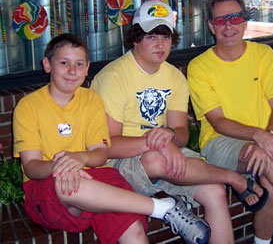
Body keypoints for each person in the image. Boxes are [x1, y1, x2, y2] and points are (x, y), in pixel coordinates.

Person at [91, 0, 269, 244]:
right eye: (151, 37)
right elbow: (108, 145)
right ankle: (233, 178)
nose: (160, 44)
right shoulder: (113, 77)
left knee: (214, 192)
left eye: (165, 37)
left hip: (166, 158)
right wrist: (159, 144)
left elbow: (182, 133)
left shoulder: (174, 76)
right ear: (135, 39)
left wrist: (169, 137)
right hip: (122, 165)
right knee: (156, 158)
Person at [13, 33, 212, 244]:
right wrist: (62, 166)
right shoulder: (28, 107)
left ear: (87, 67)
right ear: (47, 65)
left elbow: (100, 154)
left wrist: (80, 158)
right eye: (64, 63)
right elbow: (32, 167)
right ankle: (162, 208)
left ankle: (162, 208)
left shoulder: (91, 100)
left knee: (134, 230)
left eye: (79, 64)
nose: (72, 71)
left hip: (98, 181)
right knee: (72, 183)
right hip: (48, 187)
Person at [187, 0, 273, 244]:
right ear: (210, 26)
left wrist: (269, 136)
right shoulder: (199, 66)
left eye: (235, 18)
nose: (228, 26)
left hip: (265, 141)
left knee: (272, 192)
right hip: (219, 142)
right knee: (264, 158)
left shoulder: (263, 55)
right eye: (220, 20)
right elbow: (218, 122)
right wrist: (260, 137)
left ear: (245, 22)